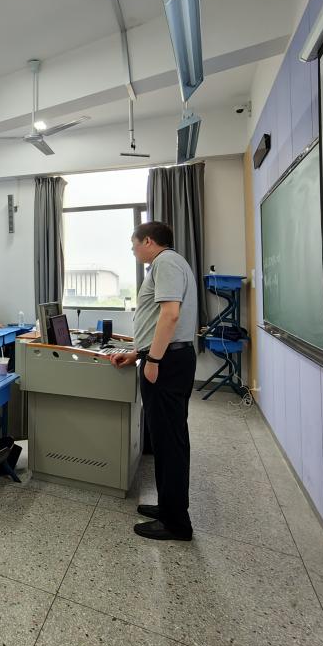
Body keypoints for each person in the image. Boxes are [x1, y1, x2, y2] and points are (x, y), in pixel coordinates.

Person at [110, 221, 199, 542]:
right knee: (163, 439)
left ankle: (176, 523)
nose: (133, 249)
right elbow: (159, 320)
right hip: (167, 357)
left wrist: (154, 360)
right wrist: (138, 353)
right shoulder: (169, 263)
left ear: (148, 241)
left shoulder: (166, 262)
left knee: (170, 442)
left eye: (134, 243)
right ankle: (168, 507)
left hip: (168, 362)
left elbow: (170, 315)